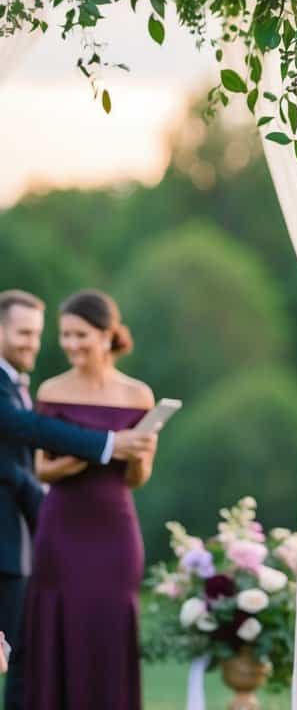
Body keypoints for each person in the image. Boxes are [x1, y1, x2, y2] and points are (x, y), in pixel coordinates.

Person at [0, 289, 155, 710]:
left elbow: (137, 478)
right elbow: (40, 468)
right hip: (61, 527)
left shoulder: (139, 395)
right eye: (65, 335)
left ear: (106, 335)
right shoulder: (51, 389)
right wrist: (86, 456)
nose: (70, 344)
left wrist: (139, 455)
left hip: (115, 530)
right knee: (55, 628)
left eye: (79, 335)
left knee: (110, 631)